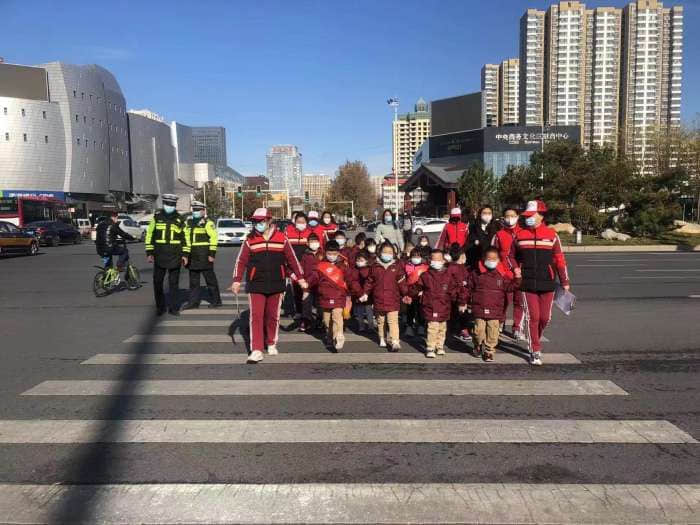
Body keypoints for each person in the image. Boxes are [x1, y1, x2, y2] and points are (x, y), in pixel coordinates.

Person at [231, 208, 306, 363]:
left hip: (277, 283)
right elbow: (241, 261)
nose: (257, 224)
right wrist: (237, 280)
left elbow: (292, 259)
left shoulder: (281, 238)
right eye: (255, 221)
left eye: (261, 221)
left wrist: (300, 278)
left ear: (269, 221)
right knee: (256, 317)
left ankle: (271, 342)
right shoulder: (249, 239)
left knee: (273, 316)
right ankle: (256, 349)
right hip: (256, 284)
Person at [512, 200, 570, 366]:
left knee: (545, 318)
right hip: (527, 283)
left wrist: (565, 281)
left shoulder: (552, 235)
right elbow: (510, 256)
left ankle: (534, 336)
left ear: (540, 215)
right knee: (533, 317)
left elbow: (560, 259)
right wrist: (515, 269)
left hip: (548, 282)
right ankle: (535, 349)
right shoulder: (520, 235)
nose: (528, 218)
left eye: (531, 215)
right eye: (527, 216)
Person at [409, 249, 468, 358]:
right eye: (434, 259)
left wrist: (462, 302)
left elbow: (456, 290)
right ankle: (430, 347)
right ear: (430, 260)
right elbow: (416, 287)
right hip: (430, 305)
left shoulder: (448, 276)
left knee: (442, 328)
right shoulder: (425, 275)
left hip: (444, 306)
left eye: (439, 259)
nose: (436, 262)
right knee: (433, 327)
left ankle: (439, 346)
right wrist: (410, 294)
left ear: (443, 261)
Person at [468, 247, 522, 362]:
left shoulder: (501, 275)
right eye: (489, 258)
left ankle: (489, 351)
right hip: (479, 309)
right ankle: (477, 345)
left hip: (496, 310)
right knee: (478, 332)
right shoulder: (475, 273)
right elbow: (468, 288)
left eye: (494, 259)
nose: (491, 261)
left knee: (493, 333)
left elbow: (510, 287)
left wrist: (517, 278)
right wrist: (465, 302)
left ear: (498, 260)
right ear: (483, 259)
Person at [305, 240, 357, 351]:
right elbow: (313, 277)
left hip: (339, 296)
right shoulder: (320, 265)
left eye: (334, 254)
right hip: (324, 297)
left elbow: (351, 280)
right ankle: (329, 338)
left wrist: (358, 292)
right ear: (325, 252)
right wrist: (306, 284)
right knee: (327, 320)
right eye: (329, 253)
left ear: (338, 253)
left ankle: (339, 336)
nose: (331, 256)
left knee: (337, 317)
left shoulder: (343, 266)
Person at [145, 194, 190, 316]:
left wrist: (185, 254)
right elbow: (150, 235)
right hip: (159, 255)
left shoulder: (180, 220)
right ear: (164, 204)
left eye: (171, 204)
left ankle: (173, 308)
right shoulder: (156, 218)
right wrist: (149, 252)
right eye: (167, 204)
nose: (169, 206)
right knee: (157, 282)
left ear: (175, 205)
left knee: (173, 284)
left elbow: (185, 237)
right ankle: (160, 307)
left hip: (175, 256)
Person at [359, 241, 408, 351]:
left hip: (393, 299)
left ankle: (395, 341)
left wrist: (406, 294)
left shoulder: (397, 266)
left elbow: (401, 282)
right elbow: (369, 282)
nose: (387, 254)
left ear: (394, 253)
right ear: (380, 253)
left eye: (390, 252)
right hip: (379, 299)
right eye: (385, 252)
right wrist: (365, 293)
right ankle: (382, 337)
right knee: (381, 321)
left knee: (393, 321)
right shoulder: (375, 267)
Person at [181, 201, 222, 310]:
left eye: (198, 210)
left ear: (203, 211)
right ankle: (193, 303)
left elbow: (214, 238)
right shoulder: (188, 223)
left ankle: (216, 301)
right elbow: (185, 239)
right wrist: (185, 255)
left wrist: (212, 254)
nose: (195, 212)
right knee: (193, 282)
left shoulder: (208, 223)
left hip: (204, 255)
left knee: (210, 280)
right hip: (192, 256)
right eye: (194, 210)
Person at [492, 206, 524, 338]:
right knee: (503, 301)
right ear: (503, 218)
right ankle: (500, 321)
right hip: (503, 274)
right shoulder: (498, 234)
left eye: (513, 215)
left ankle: (517, 328)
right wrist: (499, 270)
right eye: (507, 216)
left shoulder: (523, 233)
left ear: (518, 217)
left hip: (520, 274)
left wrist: (522, 271)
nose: (510, 218)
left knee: (519, 301)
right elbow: (493, 254)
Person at [285, 213, 312, 323]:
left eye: (303, 222)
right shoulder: (288, 232)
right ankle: (299, 312)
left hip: (306, 267)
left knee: (307, 290)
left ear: (306, 222)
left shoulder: (310, 233)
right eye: (298, 222)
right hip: (293, 267)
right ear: (294, 222)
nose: (301, 224)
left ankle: (308, 314)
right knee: (296, 290)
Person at [298, 233, 324, 332]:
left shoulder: (323, 254)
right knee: (306, 303)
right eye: (311, 242)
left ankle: (320, 320)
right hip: (308, 283)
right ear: (308, 243)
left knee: (320, 304)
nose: (314, 244)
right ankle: (306, 321)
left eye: (316, 241)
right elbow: (300, 268)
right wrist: (301, 279)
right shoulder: (305, 255)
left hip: (320, 283)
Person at [404, 248, 429, 337]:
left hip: (420, 292)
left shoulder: (425, 267)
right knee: (410, 310)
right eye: (414, 256)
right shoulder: (406, 266)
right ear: (410, 257)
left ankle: (421, 326)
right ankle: (409, 326)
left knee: (420, 310)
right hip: (410, 293)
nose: (416, 258)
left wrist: (423, 290)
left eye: (418, 256)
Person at [350, 250, 374, 332]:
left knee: (368, 310)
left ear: (367, 261)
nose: (359, 262)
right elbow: (353, 281)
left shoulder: (370, 269)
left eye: (361, 261)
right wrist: (360, 293)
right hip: (358, 293)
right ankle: (361, 326)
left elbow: (370, 281)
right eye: (357, 260)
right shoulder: (354, 269)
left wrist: (366, 293)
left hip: (368, 293)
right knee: (359, 311)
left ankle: (371, 325)